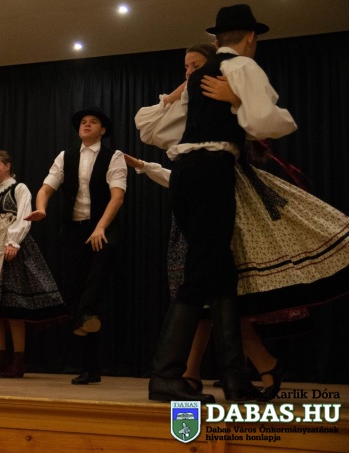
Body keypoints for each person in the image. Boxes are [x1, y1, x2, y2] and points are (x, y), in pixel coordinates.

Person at [133, 42, 349, 402]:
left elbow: (260, 127)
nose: (191, 72)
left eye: (197, 65)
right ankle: (184, 375)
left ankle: (228, 377)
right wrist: (176, 93)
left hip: (224, 185)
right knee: (209, 279)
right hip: (201, 186)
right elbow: (148, 128)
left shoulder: (228, 85)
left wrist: (234, 99)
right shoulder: (191, 100)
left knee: (219, 280)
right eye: (186, 67)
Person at [146, 4, 298, 403]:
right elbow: (266, 122)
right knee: (202, 270)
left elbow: (156, 132)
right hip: (212, 170)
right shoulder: (243, 66)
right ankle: (164, 375)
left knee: (221, 273)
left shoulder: (198, 77)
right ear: (251, 37)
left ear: (217, 40)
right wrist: (238, 102)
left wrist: (231, 104)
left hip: (185, 173)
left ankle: (235, 379)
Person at [26, 107, 126, 385]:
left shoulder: (114, 156)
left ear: (102, 130)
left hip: (104, 227)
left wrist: (100, 227)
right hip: (73, 232)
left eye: (93, 122)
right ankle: (89, 368)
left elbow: (117, 197)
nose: (87, 125)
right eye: (83, 122)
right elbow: (46, 188)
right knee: (76, 296)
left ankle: (86, 312)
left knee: (93, 287)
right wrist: (41, 208)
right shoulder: (65, 157)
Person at [0, 151, 65, 378]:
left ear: (8, 166)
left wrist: (13, 241)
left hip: (9, 249)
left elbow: (24, 215)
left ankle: (18, 359)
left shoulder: (19, 188)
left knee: (13, 306)